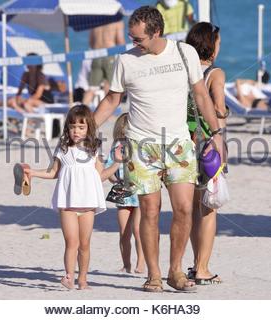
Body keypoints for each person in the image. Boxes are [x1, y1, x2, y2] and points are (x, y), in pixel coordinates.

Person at [94, 6, 223, 292]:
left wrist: (216, 133)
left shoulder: (184, 52)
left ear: (157, 32)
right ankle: (153, 274)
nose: (133, 43)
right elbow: (112, 100)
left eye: (139, 38)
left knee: (184, 208)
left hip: (179, 144)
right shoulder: (126, 60)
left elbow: (201, 95)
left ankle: (175, 271)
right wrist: (87, 129)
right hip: (141, 145)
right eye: (131, 37)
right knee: (150, 211)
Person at [22, 105, 121, 290]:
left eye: (81, 127)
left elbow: (100, 176)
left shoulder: (93, 149)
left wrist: (117, 163)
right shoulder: (63, 149)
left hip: (88, 204)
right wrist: (33, 173)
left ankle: (83, 279)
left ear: (89, 128)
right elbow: (53, 173)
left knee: (85, 245)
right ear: (67, 127)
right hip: (67, 204)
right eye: (73, 126)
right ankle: (69, 276)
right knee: (72, 243)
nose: (76, 130)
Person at [185, 22, 227, 286]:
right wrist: (220, 137)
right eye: (218, 43)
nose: (220, 47)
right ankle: (203, 268)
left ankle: (195, 263)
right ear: (210, 46)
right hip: (208, 145)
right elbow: (219, 110)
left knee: (190, 209)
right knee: (209, 209)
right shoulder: (215, 74)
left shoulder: (184, 72)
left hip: (184, 143)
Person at [105, 113, 145, 274]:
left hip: (140, 190)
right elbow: (109, 171)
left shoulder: (141, 146)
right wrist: (115, 179)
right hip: (123, 192)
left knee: (138, 229)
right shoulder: (116, 147)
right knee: (124, 232)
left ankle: (141, 262)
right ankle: (126, 263)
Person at [83, 20, 125, 105]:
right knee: (110, 86)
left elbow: (91, 43)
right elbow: (120, 41)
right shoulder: (117, 21)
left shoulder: (95, 21)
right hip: (109, 54)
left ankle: (81, 112)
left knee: (92, 88)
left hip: (96, 55)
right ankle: (111, 114)